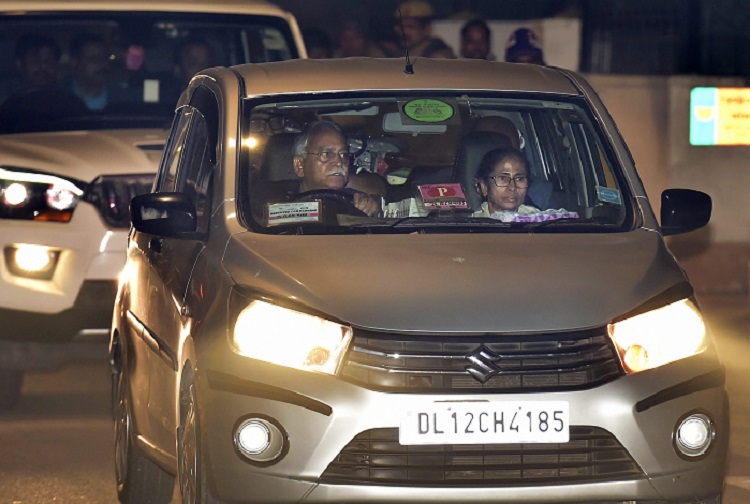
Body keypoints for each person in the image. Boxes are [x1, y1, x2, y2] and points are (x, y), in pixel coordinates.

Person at [292, 120, 381, 216]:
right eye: (327, 154)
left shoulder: (356, 202)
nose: (339, 162)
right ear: (300, 165)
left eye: (344, 155)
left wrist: (372, 211)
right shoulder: (282, 201)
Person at [473, 147, 537, 216]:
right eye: (503, 178)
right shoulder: (472, 221)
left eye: (519, 179)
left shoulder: (538, 218)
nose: (512, 187)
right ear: (484, 186)